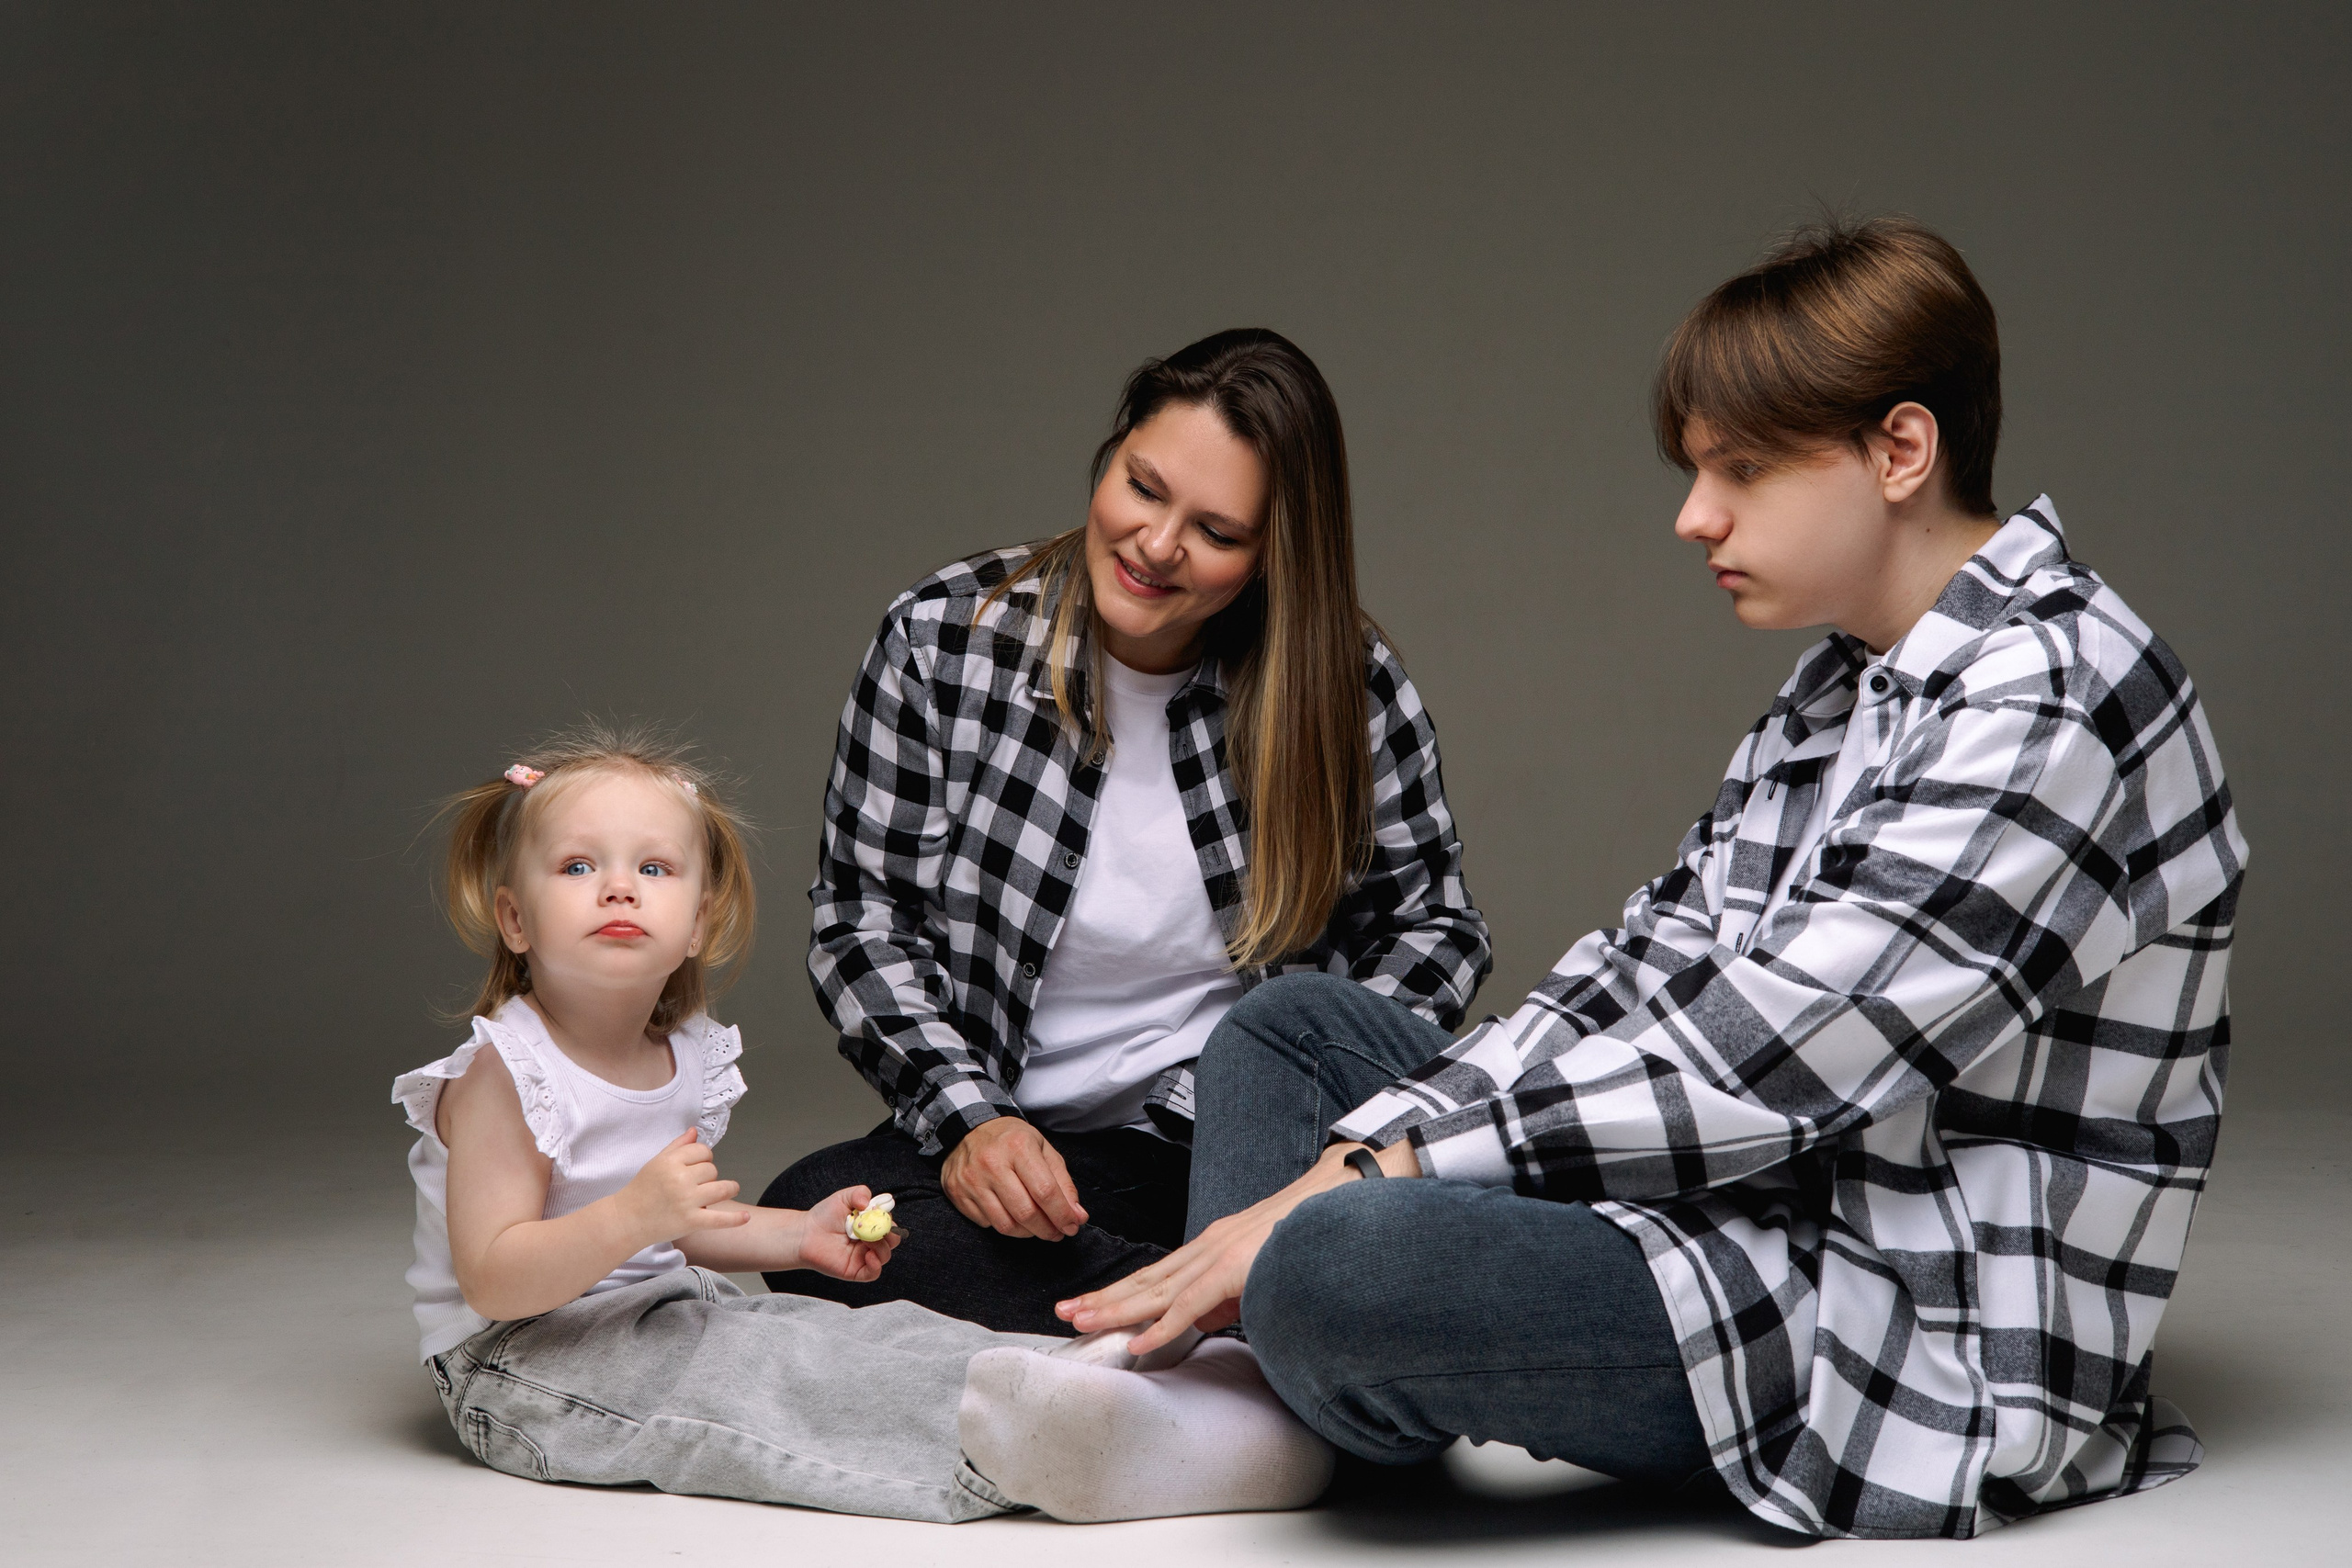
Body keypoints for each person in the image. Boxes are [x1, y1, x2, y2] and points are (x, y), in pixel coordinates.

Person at [1063, 219, 2249, 1540]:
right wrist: (1355, 1149)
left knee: (1341, 1258)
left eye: (1739, 469)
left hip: (1889, 1319)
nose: (1694, 515)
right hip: (1739, 1203)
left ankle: (1260, 1391)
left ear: (1899, 451)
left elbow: (1764, 1061)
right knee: (1284, 1033)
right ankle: (1262, 1400)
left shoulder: (2061, 691)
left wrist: (1360, 1178)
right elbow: (1644, 969)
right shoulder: (1845, 683)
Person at [394, 725, 1335, 1524]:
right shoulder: (501, 1074)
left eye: (653, 867)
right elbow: (497, 1277)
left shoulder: (676, 1050)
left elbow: (689, 1228)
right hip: (522, 1365)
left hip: (654, 1311)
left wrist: (798, 1237)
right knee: (764, 1391)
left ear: (698, 918)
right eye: (577, 867)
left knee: (849, 1339)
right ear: (514, 920)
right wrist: (634, 1218)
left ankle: (1112, 1393)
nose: (619, 888)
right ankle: (1039, 1456)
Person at [763, 329, 1491, 1334]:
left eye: (1218, 531)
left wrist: (1282, 1103)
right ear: (1108, 455)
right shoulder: (944, 640)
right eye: (1143, 487)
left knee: (1250, 1213)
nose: (1157, 546)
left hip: (1228, 1152)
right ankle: (1227, 1310)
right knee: (812, 1221)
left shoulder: (1344, 685)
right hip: (1022, 1149)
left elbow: (1434, 927)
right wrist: (975, 1121)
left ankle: (1211, 1290)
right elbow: (861, 918)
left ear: (1276, 551)